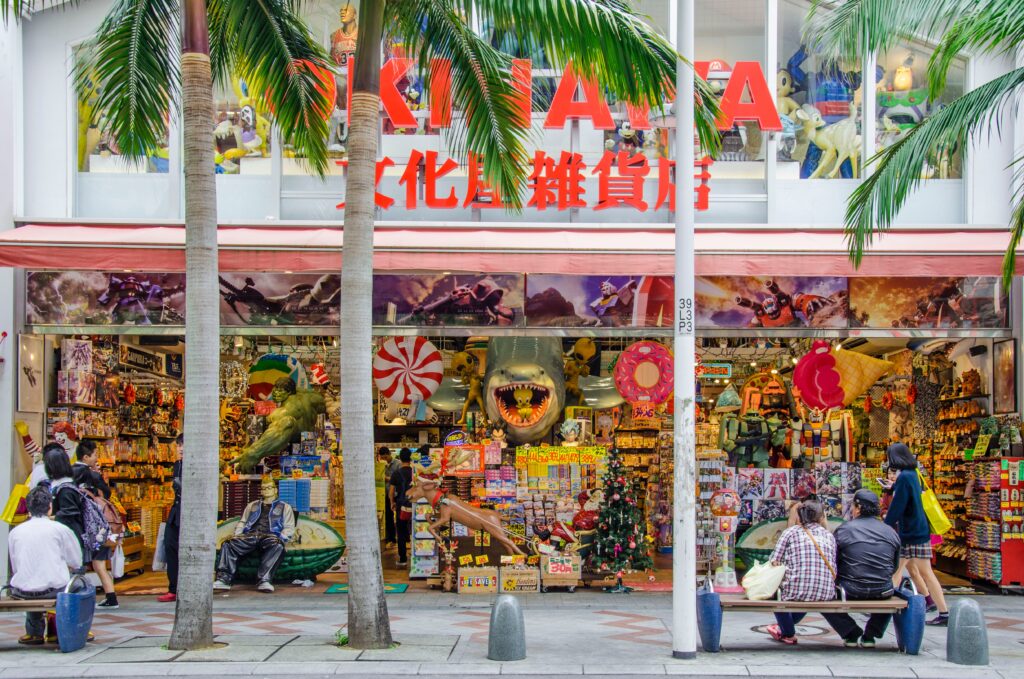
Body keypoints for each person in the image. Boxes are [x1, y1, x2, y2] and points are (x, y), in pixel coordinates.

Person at [821, 489, 901, 647]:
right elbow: (894, 566)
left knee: (822, 594)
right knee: (890, 591)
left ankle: (850, 632)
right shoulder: (891, 532)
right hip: (882, 590)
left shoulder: (844, 529)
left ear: (857, 507)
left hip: (849, 590)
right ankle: (870, 635)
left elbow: (834, 561)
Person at [7, 486, 87, 645]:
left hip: (23, 590)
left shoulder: (15, 532)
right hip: (54, 590)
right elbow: (76, 562)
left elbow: (16, 566)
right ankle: (61, 629)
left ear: (28, 507)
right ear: (50, 506)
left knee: (31, 578)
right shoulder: (60, 529)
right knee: (82, 584)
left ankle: (34, 632)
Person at [884, 443, 949, 626]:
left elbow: (899, 505)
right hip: (919, 530)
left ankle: (883, 608)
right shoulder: (913, 474)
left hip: (909, 532)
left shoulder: (904, 477)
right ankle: (943, 611)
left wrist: (885, 525)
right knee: (923, 572)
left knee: (898, 570)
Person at [766, 500, 837, 644]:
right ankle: (784, 627)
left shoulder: (790, 532)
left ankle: (788, 633)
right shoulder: (829, 535)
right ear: (821, 516)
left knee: (776, 593)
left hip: (796, 591)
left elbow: (774, 560)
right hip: (826, 592)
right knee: (806, 591)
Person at [214, 476, 295, 593]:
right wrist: (237, 535)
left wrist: (282, 538)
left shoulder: (285, 507)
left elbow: (289, 527)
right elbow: (243, 522)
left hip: (271, 535)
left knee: (277, 546)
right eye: (263, 488)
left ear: (275, 490)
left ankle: (264, 580)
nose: (266, 490)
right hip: (250, 535)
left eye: (269, 488)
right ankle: (224, 579)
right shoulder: (252, 505)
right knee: (228, 544)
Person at [72, 441, 118, 609]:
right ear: (86, 457)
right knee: (99, 562)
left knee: (77, 561)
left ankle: (74, 595)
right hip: (96, 525)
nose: (97, 458)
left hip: (78, 525)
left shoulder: (69, 474)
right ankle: (111, 596)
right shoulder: (93, 475)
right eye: (94, 455)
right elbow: (106, 494)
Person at [44, 445, 87, 562]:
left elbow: (69, 513)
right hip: (64, 535)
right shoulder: (63, 484)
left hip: (68, 537)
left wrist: (47, 518)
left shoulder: (65, 489)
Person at [158, 450, 183, 603]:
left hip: (189, 512)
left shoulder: (196, 465)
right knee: (170, 546)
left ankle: (179, 588)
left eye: (183, 445)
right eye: (178, 445)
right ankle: (173, 588)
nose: (180, 448)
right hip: (176, 512)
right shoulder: (178, 465)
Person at [388, 448, 414, 568]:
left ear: (400, 458)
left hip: (401, 505)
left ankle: (403, 558)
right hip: (415, 505)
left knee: (401, 531)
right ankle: (417, 555)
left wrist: (392, 502)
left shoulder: (396, 473)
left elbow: (391, 491)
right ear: (410, 458)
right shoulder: (415, 472)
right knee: (416, 529)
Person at [378, 447, 399, 547]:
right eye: (383, 458)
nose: (385, 459)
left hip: (396, 494)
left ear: (389, 454)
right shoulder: (383, 465)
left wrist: (387, 478)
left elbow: (399, 479)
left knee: (399, 516)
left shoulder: (398, 464)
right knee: (388, 517)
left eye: (385, 457)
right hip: (385, 494)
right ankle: (391, 539)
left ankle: (403, 538)